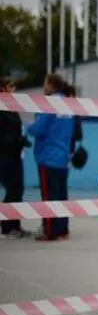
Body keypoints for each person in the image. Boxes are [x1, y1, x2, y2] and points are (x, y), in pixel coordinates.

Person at [26, 73, 78, 241]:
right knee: (61, 196)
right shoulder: (68, 104)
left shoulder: (49, 103)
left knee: (49, 197)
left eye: (45, 83)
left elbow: (39, 129)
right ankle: (63, 230)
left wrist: (28, 127)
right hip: (63, 157)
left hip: (48, 156)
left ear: (50, 85)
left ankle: (50, 231)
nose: (43, 87)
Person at [0, 77, 32, 238]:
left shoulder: (13, 109)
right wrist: (16, 140)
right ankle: (6, 227)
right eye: (11, 86)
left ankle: (16, 225)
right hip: (4, 156)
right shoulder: (2, 111)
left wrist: (22, 140)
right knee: (12, 190)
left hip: (16, 154)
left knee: (18, 190)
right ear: (3, 88)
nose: (14, 89)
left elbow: (17, 131)